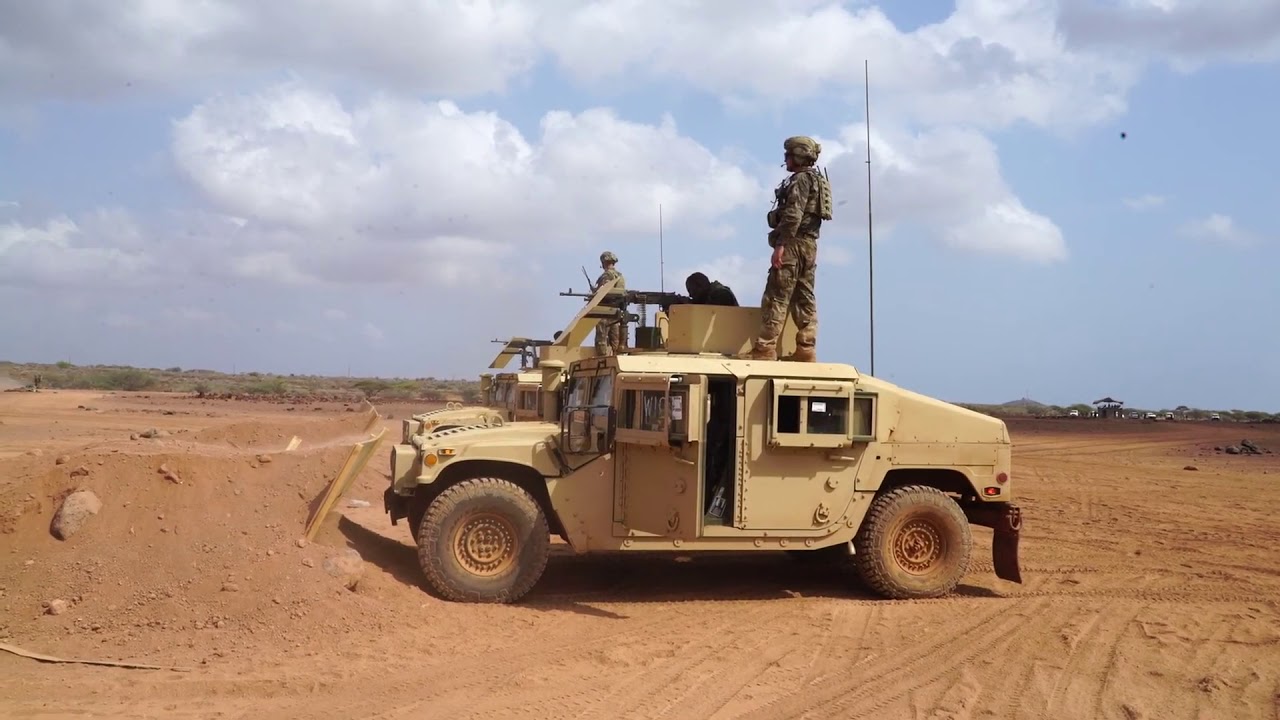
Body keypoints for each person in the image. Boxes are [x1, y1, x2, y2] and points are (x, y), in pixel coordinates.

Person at [743, 135, 832, 362]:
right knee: (804, 297)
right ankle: (806, 349)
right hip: (809, 246)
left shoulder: (801, 180)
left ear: (799, 155)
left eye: (789, 155)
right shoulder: (817, 180)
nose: (786, 159)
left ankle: (764, 350)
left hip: (792, 244)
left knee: (776, 296)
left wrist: (780, 246)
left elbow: (793, 214)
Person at [593, 250, 628, 355]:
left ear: (604, 262)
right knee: (615, 339)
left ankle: (601, 358)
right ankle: (618, 356)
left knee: (601, 338)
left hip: (604, 311)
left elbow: (601, 292)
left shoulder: (606, 276)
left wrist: (594, 292)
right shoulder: (620, 276)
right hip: (616, 311)